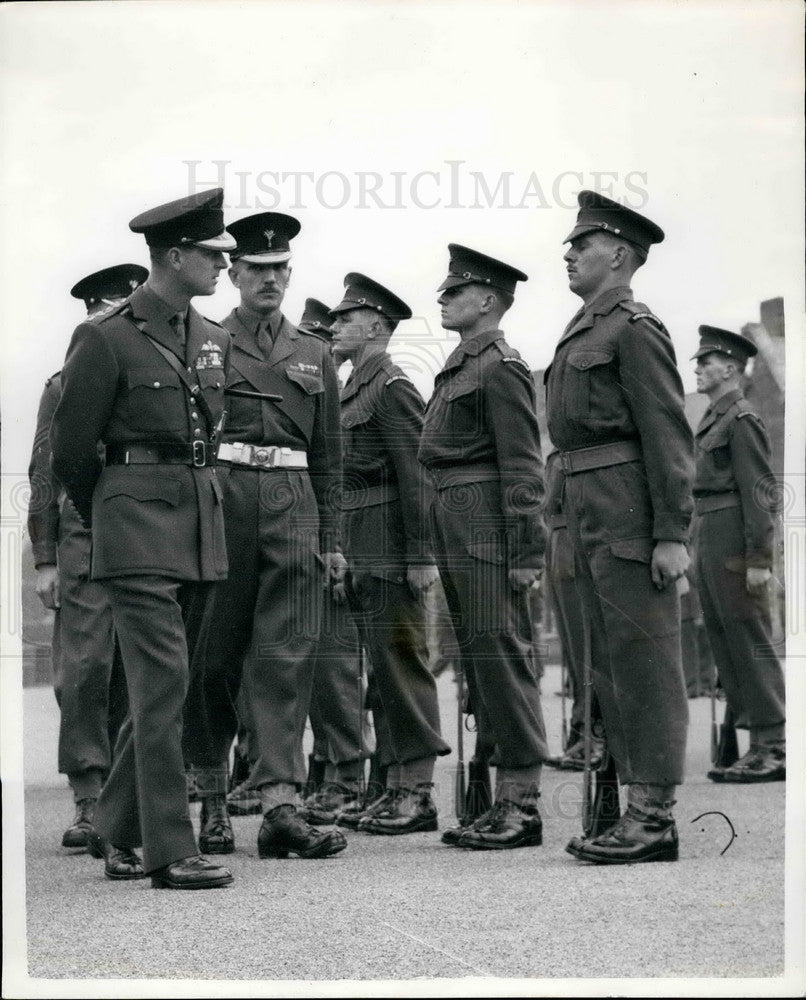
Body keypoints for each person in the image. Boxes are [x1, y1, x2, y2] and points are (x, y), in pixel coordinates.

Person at [50, 188, 236, 890]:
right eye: (212, 255)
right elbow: (72, 450)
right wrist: (109, 516)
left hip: (197, 525)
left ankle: (118, 827)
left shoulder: (213, 336)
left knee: (171, 685)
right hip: (132, 527)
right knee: (161, 687)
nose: (223, 265)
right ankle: (168, 849)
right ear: (176, 255)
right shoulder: (105, 334)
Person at [187, 214, 347, 860]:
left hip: (294, 504)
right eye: (257, 269)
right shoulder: (204, 340)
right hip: (224, 500)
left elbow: (331, 457)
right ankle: (214, 798)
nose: (271, 279)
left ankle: (281, 804)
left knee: (287, 655)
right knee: (213, 656)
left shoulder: (314, 352)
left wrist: (332, 538)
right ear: (234, 273)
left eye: (281, 269)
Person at [546, 190, 694, 865]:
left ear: (620, 254)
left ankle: (653, 814)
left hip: (628, 510)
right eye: (572, 244)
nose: (570, 253)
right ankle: (626, 806)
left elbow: (667, 435)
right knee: (603, 662)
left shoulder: (633, 327)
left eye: (583, 244)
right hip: (585, 510)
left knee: (643, 661)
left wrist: (672, 534)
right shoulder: (584, 326)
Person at [419, 245, 548, 850]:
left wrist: (526, 553)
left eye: (453, 292)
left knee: (501, 652)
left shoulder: (501, 366)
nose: (442, 300)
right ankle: (499, 797)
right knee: (478, 655)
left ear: (488, 301)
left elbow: (524, 463)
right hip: (456, 518)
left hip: (487, 527)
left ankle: (521, 801)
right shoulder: (461, 363)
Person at [27, 264, 146, 850]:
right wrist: (45, 558)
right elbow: (45, 476)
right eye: (101, 312)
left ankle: (134, 794)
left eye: (119, 310)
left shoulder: (152, 374)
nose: (109, 321)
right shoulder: (61, 386)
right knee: (86, 668)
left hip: (145, 531)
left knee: (140, 664)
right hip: (82, 536)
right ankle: (88, 795)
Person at [329, 274, 450, 834]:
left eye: (345, 319)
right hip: (362, 544)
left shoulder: (393, 386)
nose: (334, 328)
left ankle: (418, 791)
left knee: (402, 666)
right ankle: (396, 784)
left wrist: (421, 556)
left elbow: (416, 475)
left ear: (376, 326)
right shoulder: (357, 385)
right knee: (381, 672)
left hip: (391, 549)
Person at [692, 325, 785, 781]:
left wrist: (759, 560)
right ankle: (751, 739)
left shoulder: (741, 418)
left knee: (749, 639)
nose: (698, 369)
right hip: (710, 533)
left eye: (705, 362)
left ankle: (774, 744)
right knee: (725, 641)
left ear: (730, 368)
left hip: (732, 534)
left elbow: (760, 492)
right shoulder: (713, 417)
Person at [296, 298, 375, 824]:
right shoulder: (326, 396)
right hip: (298, 529)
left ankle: (347, 774)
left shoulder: (351, 395)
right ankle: (322, 768)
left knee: (335, 664)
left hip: (336, 537)